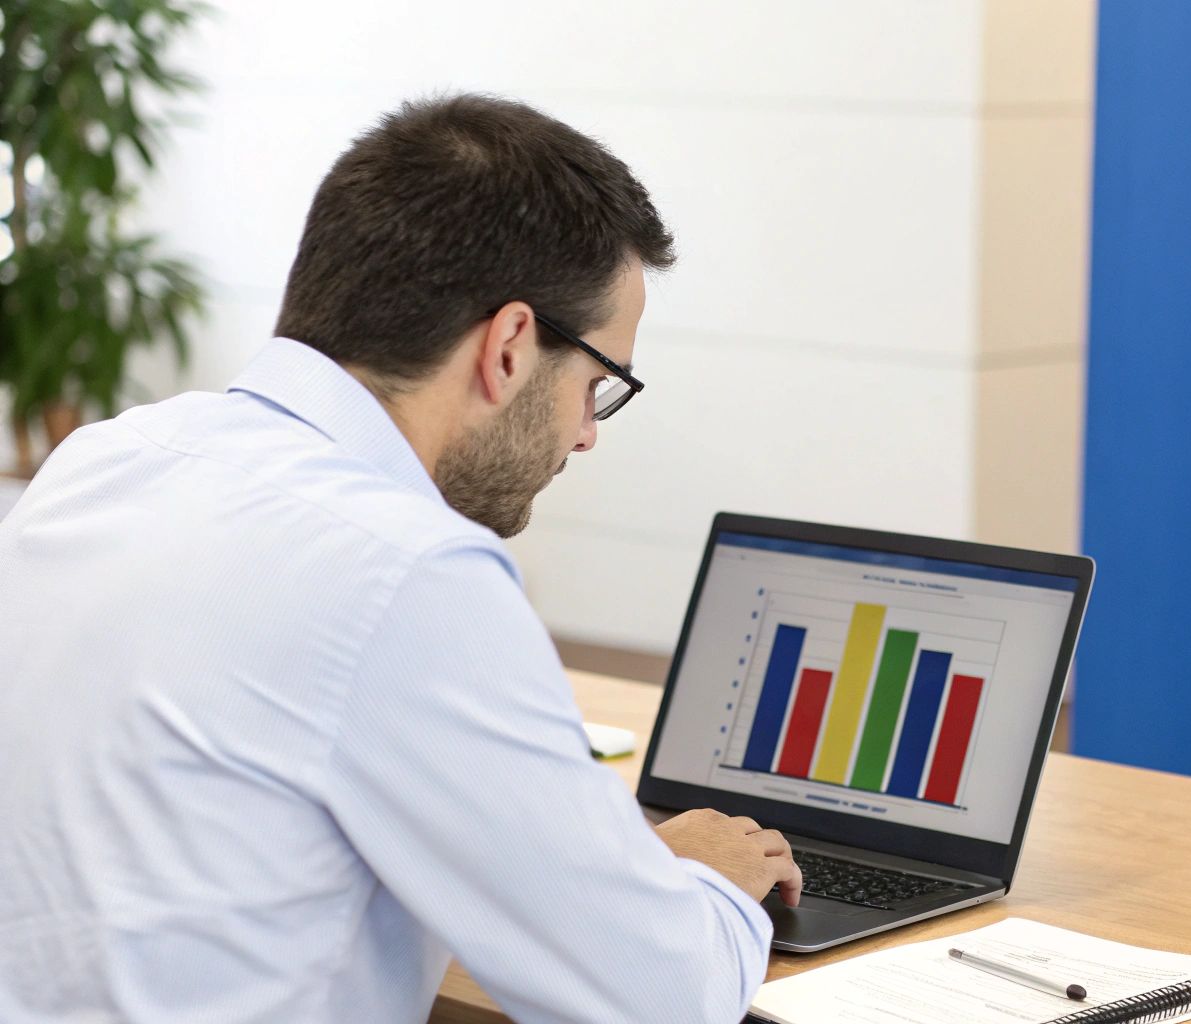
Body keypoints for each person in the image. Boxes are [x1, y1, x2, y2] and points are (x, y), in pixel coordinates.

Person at [0, 93, 800, 1023]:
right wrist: (708, 883)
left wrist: (595, 876)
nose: (587, 435)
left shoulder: (107, 460)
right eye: (598, 385)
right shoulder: (408, 571)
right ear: (507, 347)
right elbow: (658, 996)